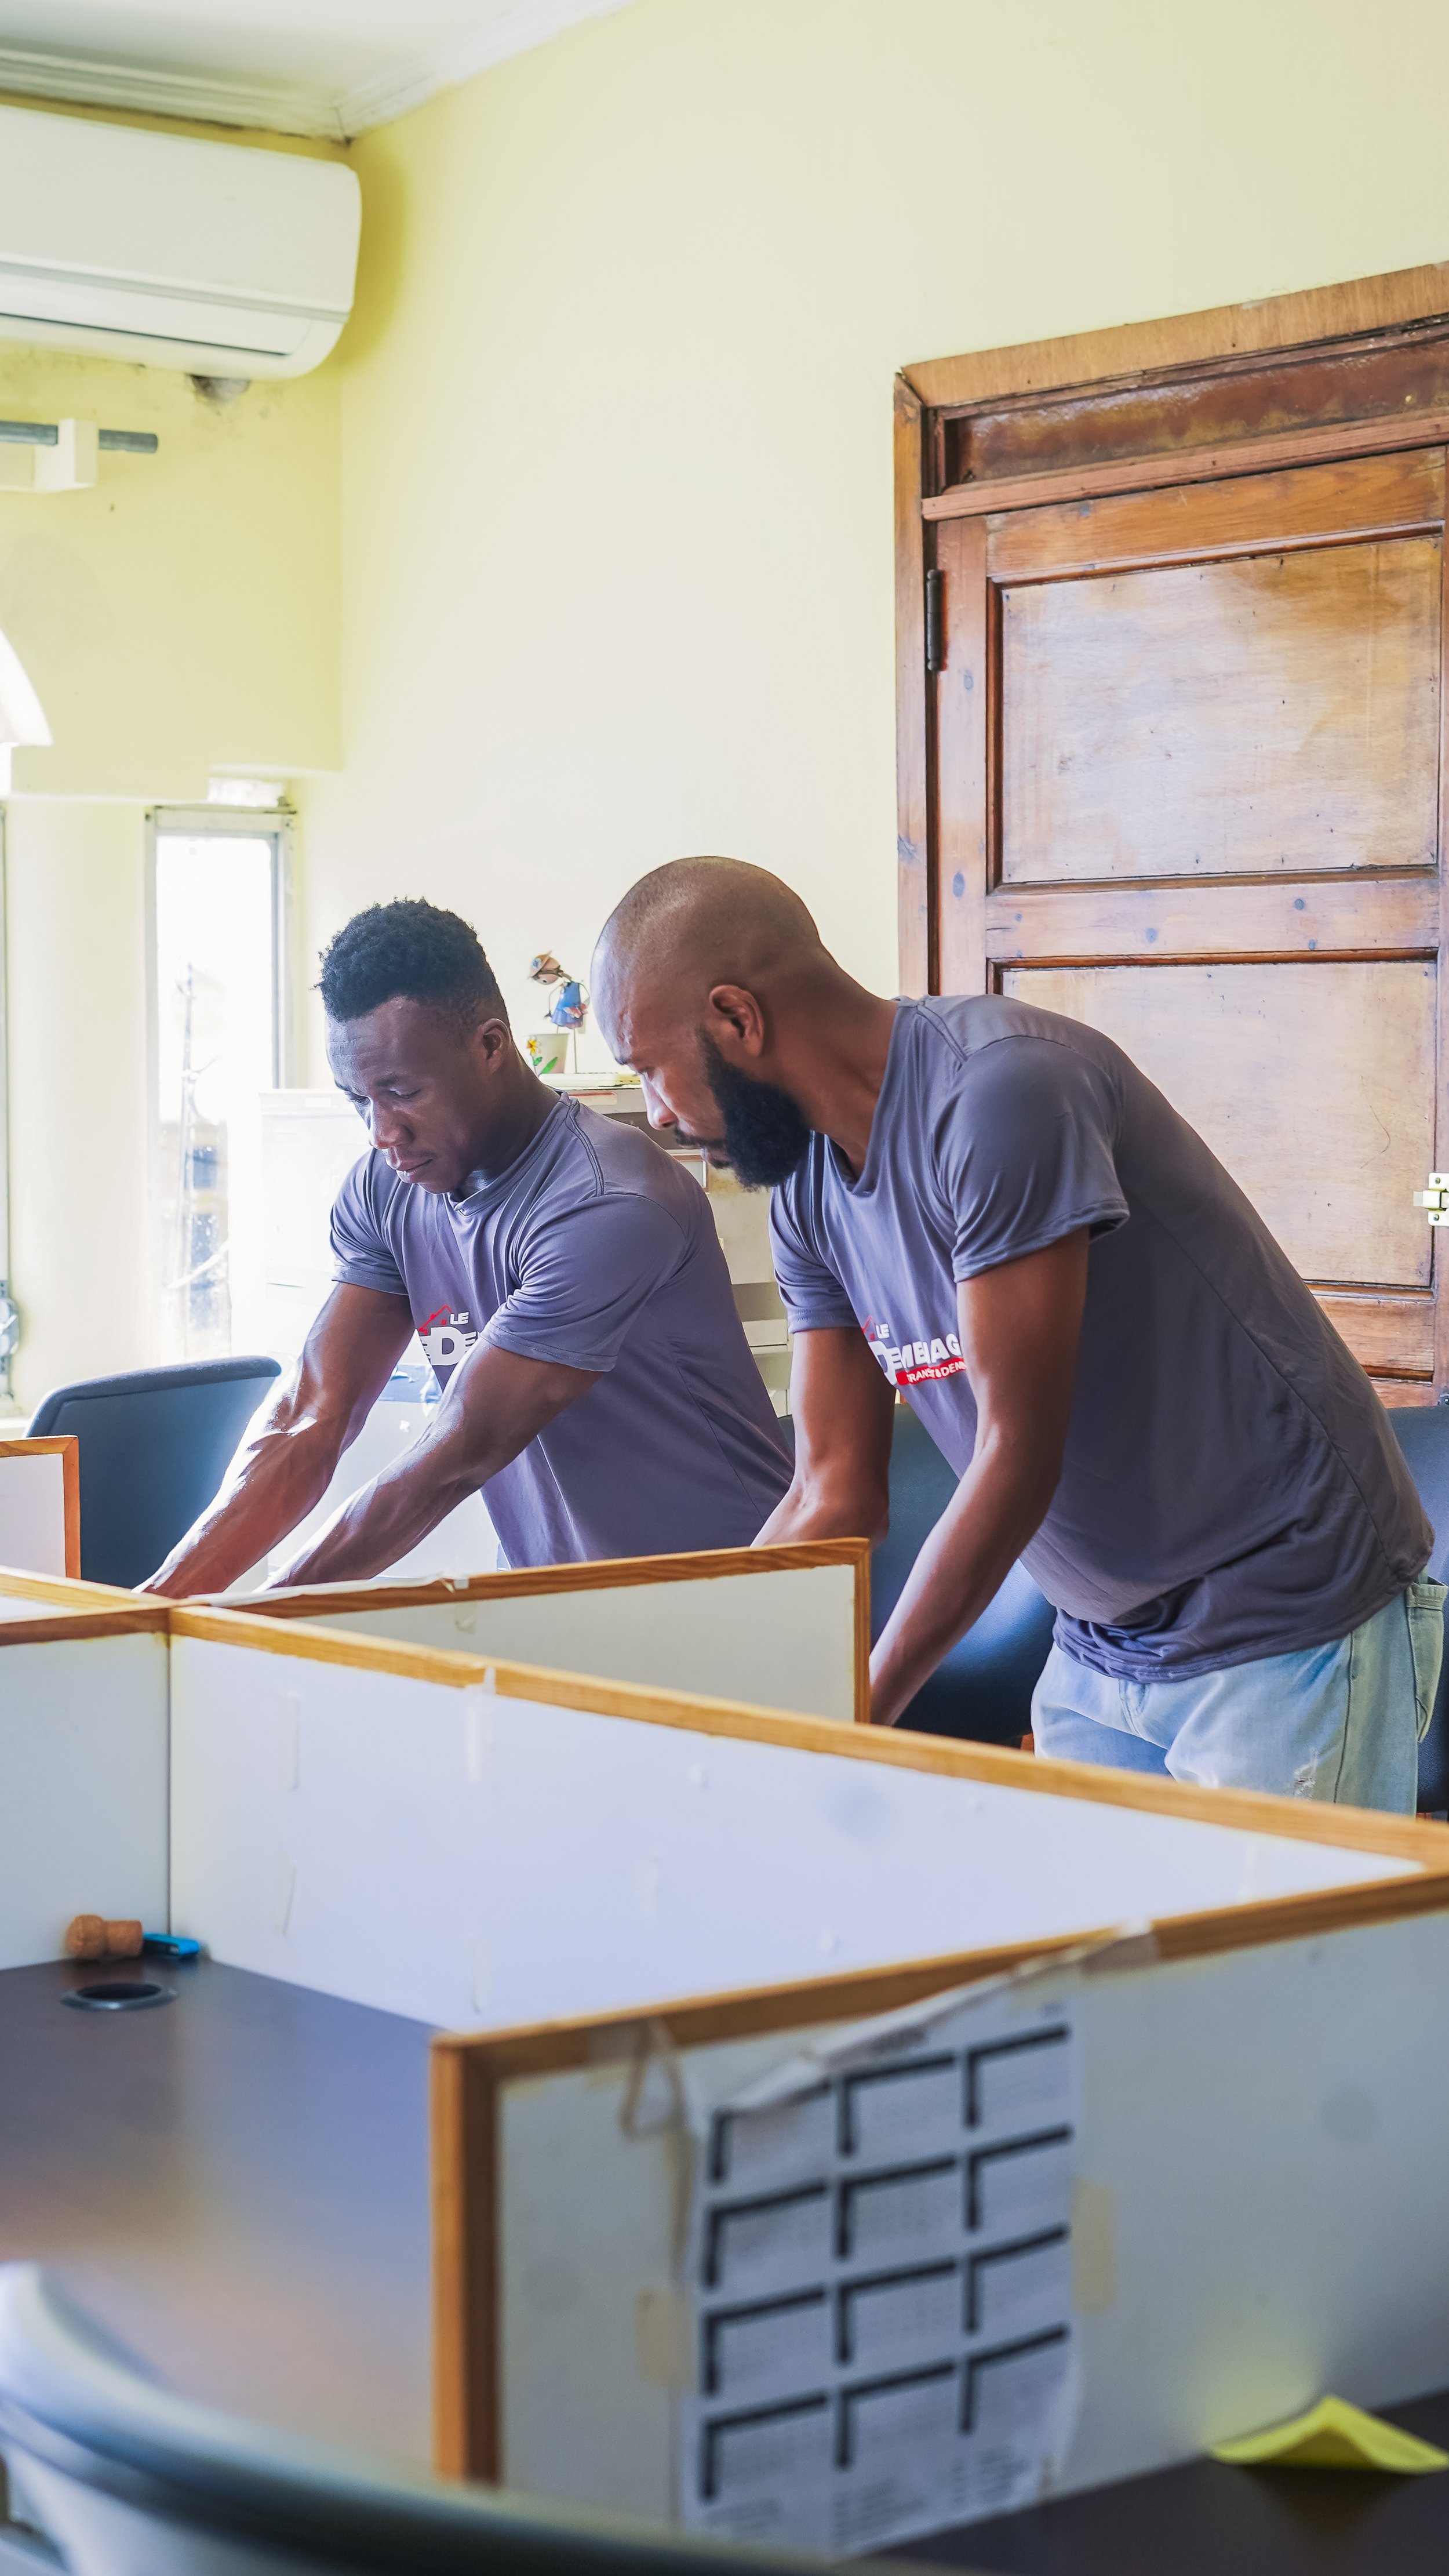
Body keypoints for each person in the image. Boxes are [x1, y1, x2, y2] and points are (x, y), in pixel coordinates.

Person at [591, 856, 1444, 1811]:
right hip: (1098, 1635)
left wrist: (850, 1713)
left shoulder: (1002, 1093)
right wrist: (702, 1673)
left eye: (648, 1071)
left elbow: (1015, 1458)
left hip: (1285, 1609)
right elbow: (834, 1487)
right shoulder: (806, 1187)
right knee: (1093, 1958)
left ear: (737, 1018)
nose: (657, 1115)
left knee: (1285, 1962)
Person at [143, 898, 791, 1594]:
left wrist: (256, 1619)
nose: (381, 1132)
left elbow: (456, 1452)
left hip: (734, 1598)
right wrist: (156, 1607)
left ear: (489, 1046)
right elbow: (311, 1418)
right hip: (561, 1611)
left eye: (401, 1091)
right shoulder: (387, 1189)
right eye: (358, 1100)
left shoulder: (606, 1202)